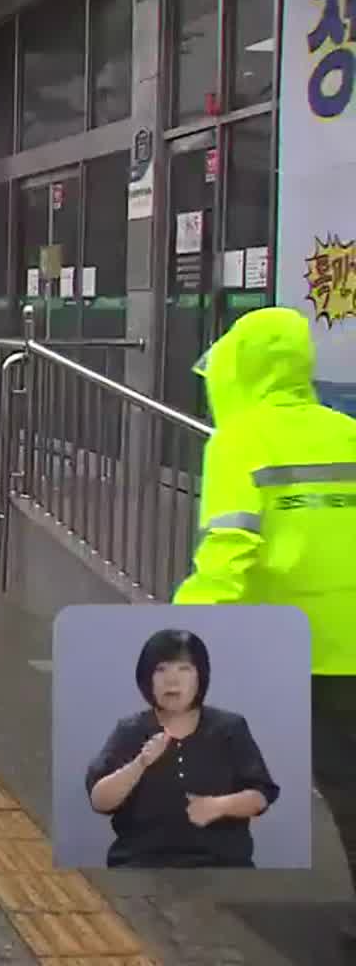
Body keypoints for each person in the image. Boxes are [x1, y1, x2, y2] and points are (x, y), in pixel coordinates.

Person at [173, 308, 356, 925]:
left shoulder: (239, 441)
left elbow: (229, 551)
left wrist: (180, 634)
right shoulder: (346, 430)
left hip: (299, 646)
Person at [85, 629, 277, 867]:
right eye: (161, 670)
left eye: (184, 669)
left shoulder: (229, 728)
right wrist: (140, 764)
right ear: (147, 679)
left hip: (221, 865)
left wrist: (217, 806)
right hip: (140, 864)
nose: (172, 680)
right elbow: (99, 801)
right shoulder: (131, 730)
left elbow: (261, 796)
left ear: (200, 677)